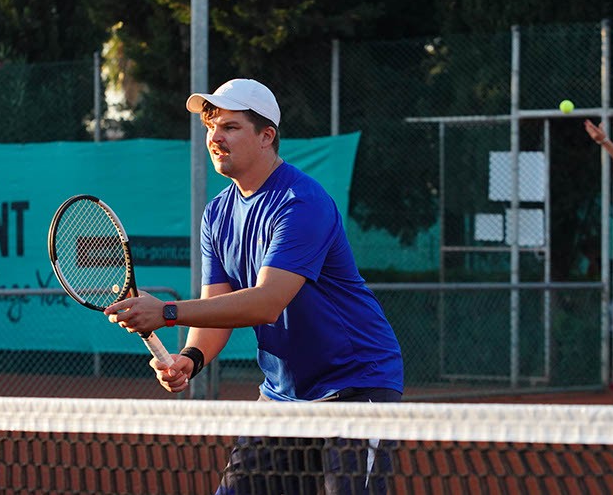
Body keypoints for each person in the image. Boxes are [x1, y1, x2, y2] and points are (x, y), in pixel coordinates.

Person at [104, 78, 404, 494]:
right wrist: (191, 357)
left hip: (355, 386)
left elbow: (267, 302)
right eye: (211, 127)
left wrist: (167, 312)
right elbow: (218, 306)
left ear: (266, 136)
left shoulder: (301, 202)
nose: (215, 138)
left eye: (230, 127)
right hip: (283, 396)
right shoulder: (217, 214)